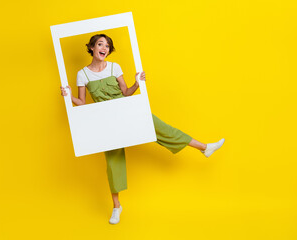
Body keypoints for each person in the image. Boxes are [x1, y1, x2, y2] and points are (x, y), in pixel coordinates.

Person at [60, 34, 225, 224]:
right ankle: (117, 207)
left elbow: (126, 93)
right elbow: (82, 103)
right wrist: (69, 96)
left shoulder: (115, 67)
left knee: (161, 128)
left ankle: (204, 148)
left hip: (127, 110)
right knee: (113, 162)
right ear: (91, 47)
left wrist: (137, 83)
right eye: (100, 44)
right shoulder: (83, 74)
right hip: (106, 121)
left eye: (107, 45)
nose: (104, 48)